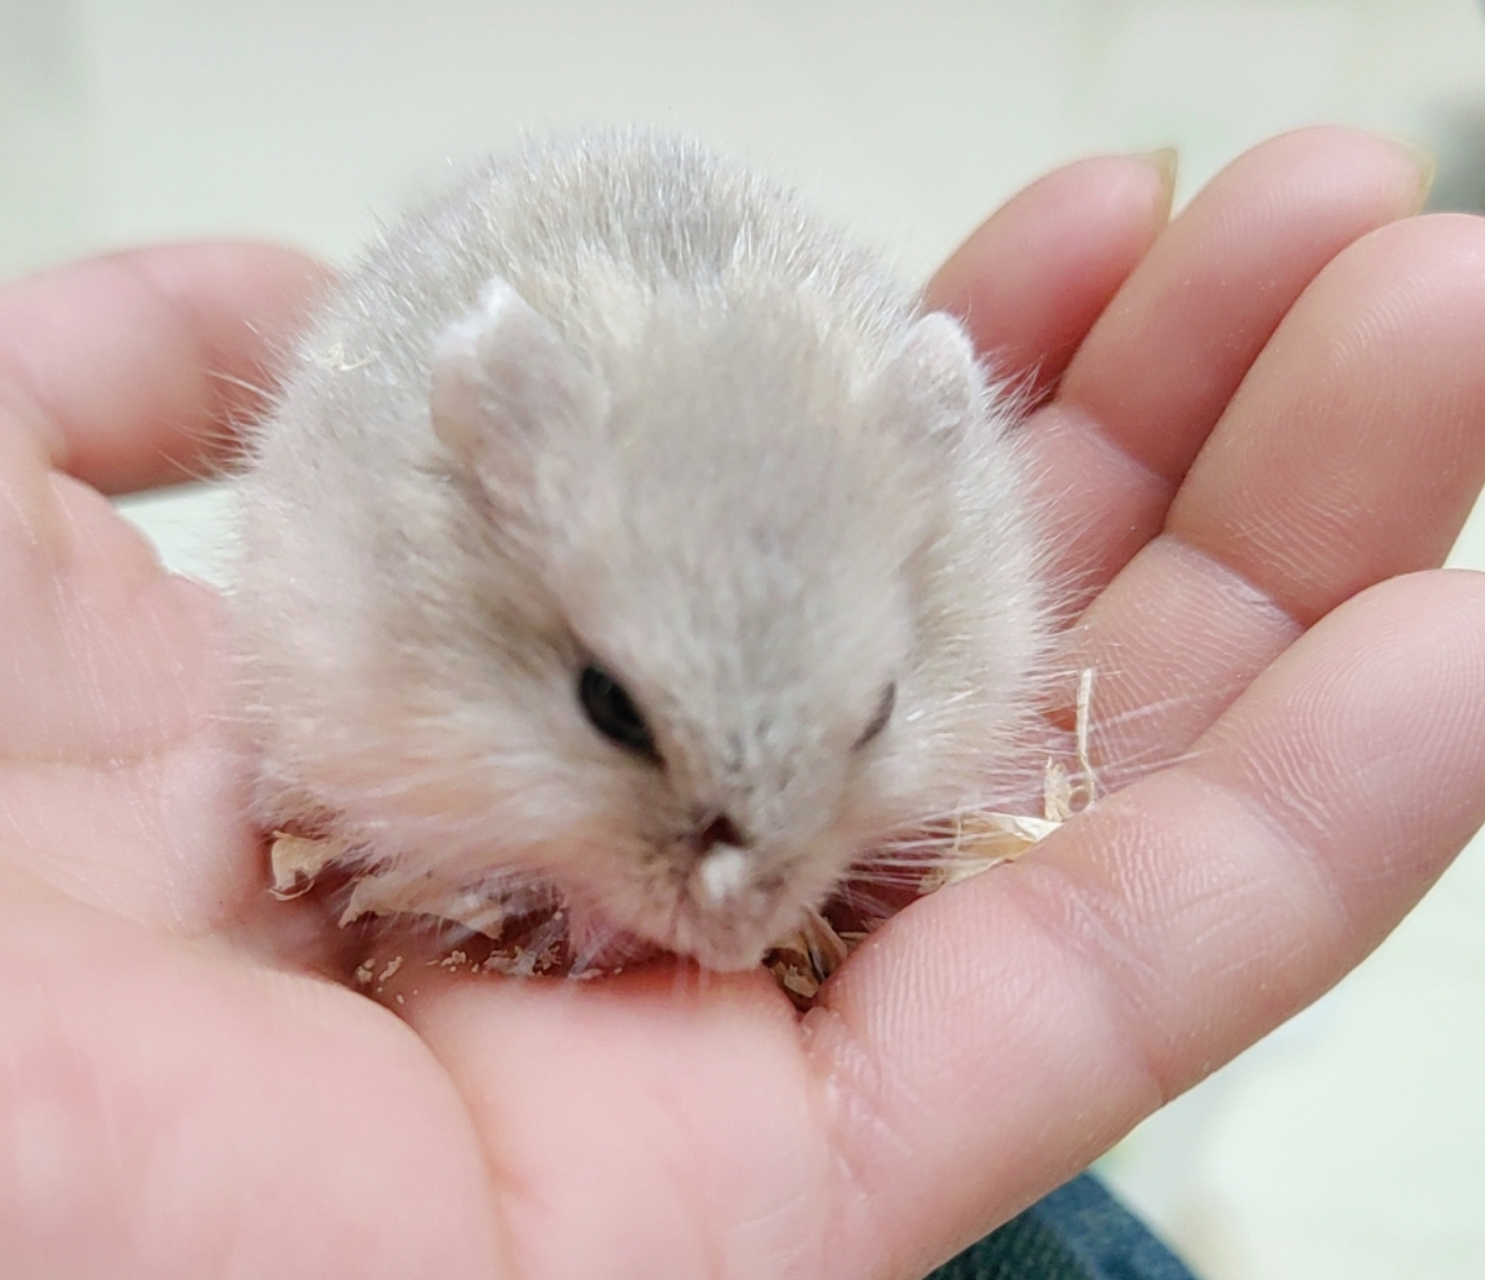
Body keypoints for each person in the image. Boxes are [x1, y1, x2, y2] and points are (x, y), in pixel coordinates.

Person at [2, 125, 1482, 1280]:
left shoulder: (939, 518)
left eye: (864, 728)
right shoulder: (398, 528)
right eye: (617, 715)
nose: (740, 902)